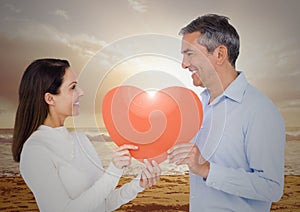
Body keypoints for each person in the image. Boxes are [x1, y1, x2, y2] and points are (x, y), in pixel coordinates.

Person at [167, 14, 286, 211]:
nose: (183, 64)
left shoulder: (259, 110)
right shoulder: (199, 105)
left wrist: (206, 169)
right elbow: (192, 155)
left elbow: (272, 188)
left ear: (220, 54)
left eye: (190, 54)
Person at [12, 58, 161, 212]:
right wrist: (114, 170)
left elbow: (103, 204)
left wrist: (138, 184)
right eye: (73, 87)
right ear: (50, 98)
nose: (81, 92)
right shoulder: (35, 151)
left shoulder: (80, 140)